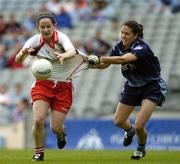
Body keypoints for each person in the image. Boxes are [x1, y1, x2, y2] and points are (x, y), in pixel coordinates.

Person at [88, 20, 167, 160]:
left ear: (136, 35)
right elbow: (105, 65)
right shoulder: (118, 46)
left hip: (151, 87)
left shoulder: (142, 48)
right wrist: (88, 64)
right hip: (132, 86)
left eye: (127, 34)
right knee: (118, 121)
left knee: (139, 125)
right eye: (122, 32)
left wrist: (99, 58)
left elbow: (121, 60)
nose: (123, 36)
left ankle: (140, 148)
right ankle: (129, 131)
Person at [15, 11, 86, 161]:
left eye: (48, 26)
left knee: (55, 128)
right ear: (38, 28)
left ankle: (61, 133)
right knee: (38, 120)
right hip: (43, 84)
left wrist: (64, 55)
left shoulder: (61, 37)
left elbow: (72, 50)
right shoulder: (34, 41)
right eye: (43, 27)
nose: (46, 30)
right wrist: (23, 55)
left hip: (63, 86)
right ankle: (39, 153)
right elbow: (18, 61)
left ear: (54, 26)